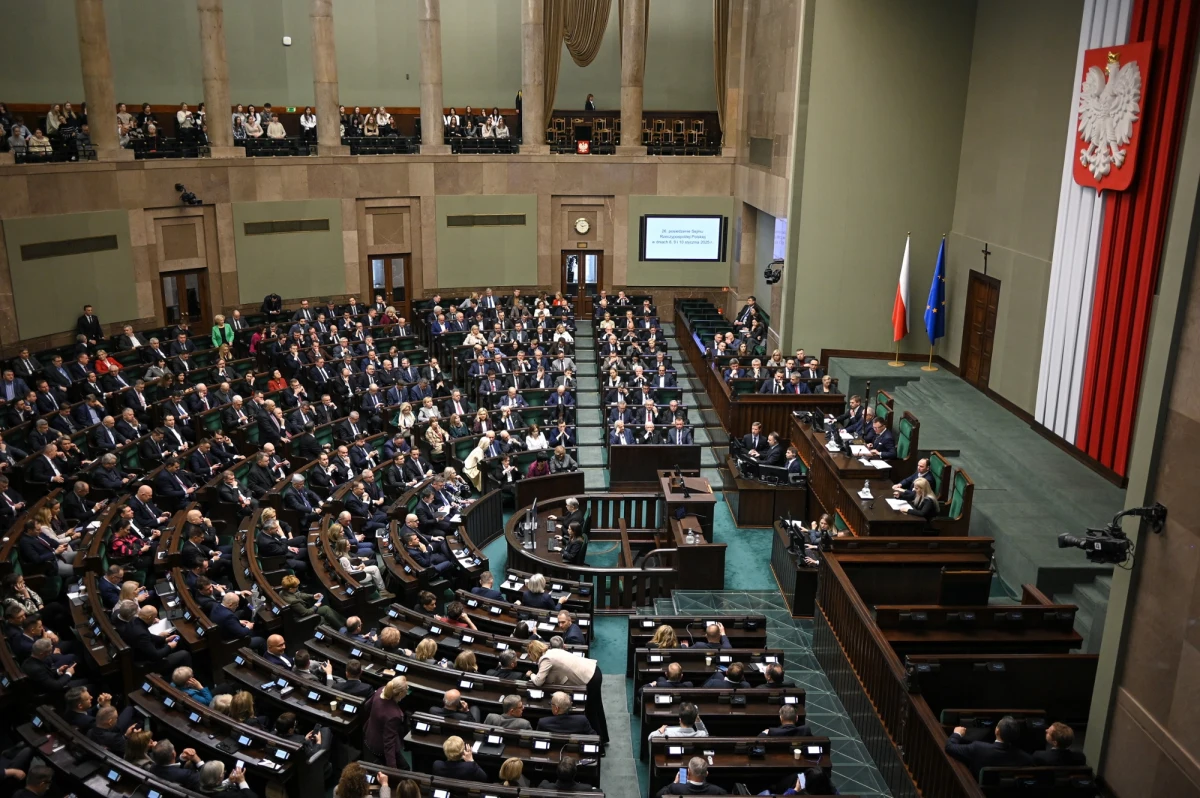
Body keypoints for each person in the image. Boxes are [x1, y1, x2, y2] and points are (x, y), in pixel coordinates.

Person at [527, 642, 608, 743]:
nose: (529, 656)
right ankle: (604, 737)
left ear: (534, 653)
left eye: (529, 654)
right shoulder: (552, 651)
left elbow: (538, 681)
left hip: (590, 678)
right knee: (597, 707)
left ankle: (598, 743)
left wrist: (531, 675)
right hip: (594, 671)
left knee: (591, 711)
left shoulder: (545, 659)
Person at [944, 716, 1034, 778]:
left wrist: (957, 733)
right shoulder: (1025, 758)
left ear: (997, 731)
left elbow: (950, 747)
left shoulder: (978, 748)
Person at [363, 676, 409, 767]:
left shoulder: (380, 690)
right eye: (406, 690)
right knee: (406, 768)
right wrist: (392, 768)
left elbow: (367, 706)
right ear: (400, 694)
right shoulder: (394, 715)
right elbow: (389, 744)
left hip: (369, 735)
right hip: (380, 747)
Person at [658, 756, 724, 795]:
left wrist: (675, 782)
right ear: (706, 774)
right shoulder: (717, 791)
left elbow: (659, 795)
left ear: (688, 773)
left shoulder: (675, 788)